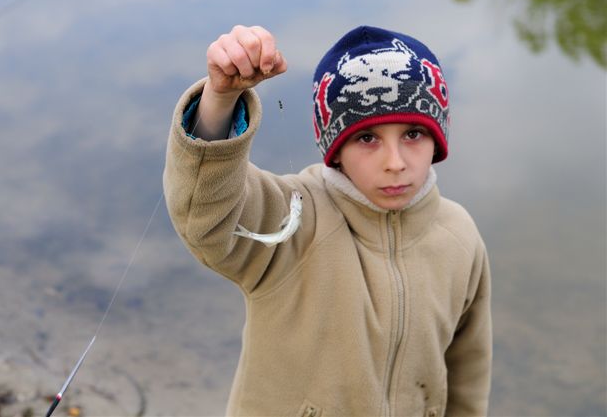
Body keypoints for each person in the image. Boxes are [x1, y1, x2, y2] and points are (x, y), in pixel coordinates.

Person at [163, 24, 492, 416]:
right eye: (367, 138)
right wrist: (220, 99)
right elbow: (207, 219)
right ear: (334, 148)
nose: (395, 163)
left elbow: (468, 374)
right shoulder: (295, 216)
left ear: (438, 138)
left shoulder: (460, 236)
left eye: (414, 134)